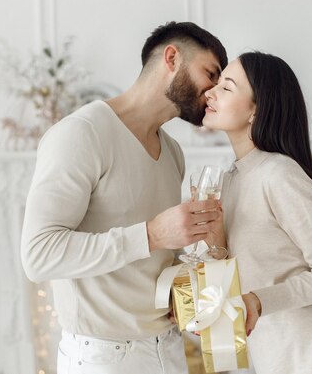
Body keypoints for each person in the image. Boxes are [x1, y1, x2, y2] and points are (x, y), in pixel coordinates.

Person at [20, 21, 227, 374]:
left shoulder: (173, 152)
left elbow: (154, 260)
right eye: (210, 74)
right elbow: (39, 256)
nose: (213, 92)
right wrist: (151, 234)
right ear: (172, 58)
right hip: (103, 358)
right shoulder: (80, 134)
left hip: (168, 350)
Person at [202, 52, 312, 374]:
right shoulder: (229, 180)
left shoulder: (279, 174)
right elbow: (251, 269)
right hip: (272, 349)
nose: (210, 92)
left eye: (227, 87)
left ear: (256, 109)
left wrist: (259, 301)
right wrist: (215, 244)